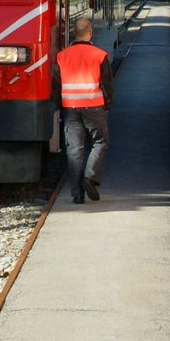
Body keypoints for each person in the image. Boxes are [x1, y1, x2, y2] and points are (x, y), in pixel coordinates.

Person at [52, 17, 114, 203]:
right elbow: (108, 85)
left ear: (74, 34)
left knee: (74, 151)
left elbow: (56, 85)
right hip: (94, 107)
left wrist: (60, 106)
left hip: (70, 108)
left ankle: (77, 195)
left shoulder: (62, 56)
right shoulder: (100, 55)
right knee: (100, 142)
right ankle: (90, 176)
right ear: (90, 33)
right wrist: (108, 105)